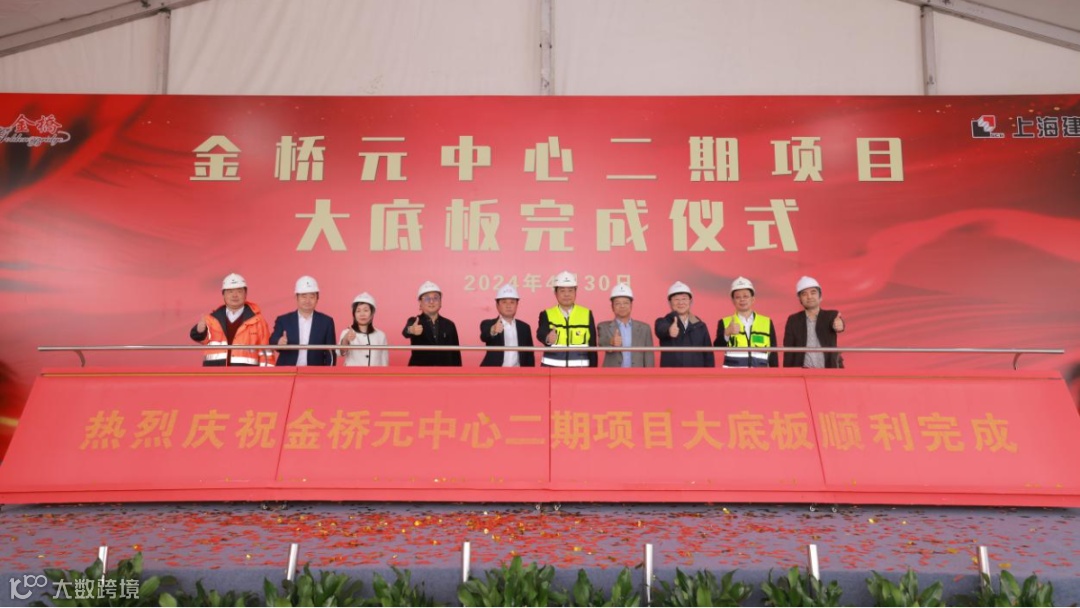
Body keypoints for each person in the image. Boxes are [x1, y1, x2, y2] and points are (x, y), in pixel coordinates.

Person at [189, 272, 275, 366]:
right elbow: (197, 336)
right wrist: (200, 330)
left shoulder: (258, 321)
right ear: (223, 294)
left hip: (246, 373)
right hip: (215, 372)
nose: (235, 295)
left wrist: (266, 374)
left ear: (245, 294)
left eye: (239, 291)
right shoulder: (212, 319)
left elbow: (266, 353)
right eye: (230, 291)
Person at [271, 275, 336, 366]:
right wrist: (278, 341)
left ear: (317, 298)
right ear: (296, 297)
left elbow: (331, 353)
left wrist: (329, 372)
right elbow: (272, 340)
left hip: (314, 371)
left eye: (312, 297)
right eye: (304, 296)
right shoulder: (283, 320)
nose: (307, 301)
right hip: (287, 370)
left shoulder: (326, 322)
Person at [536, 271, 598, 368]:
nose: (566, 294)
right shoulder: (546, 314)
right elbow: (540, 333)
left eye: (570, 290)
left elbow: (592, 346)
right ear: (555, 293)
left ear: (575, 292)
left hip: (580, 371)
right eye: (562, 291)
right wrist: (547, 338)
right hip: (552, 371)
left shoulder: (586, 314)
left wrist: (593, 371)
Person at [783, 276, 846, 368]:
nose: (809, 297)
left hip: (828, 371)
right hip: (802, 373)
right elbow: (788, 351)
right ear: (800, 299)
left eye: (813, 292)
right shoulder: (793, 320)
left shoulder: (831, 316)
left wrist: (840, 325)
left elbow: (839, 324)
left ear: (820, 296)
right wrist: (787, 373)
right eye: (804, 294)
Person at [717, 276, 778, 368]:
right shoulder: (725, 322)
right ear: (733, 301)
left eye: (745, 296)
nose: (742, 299)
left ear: (753, 299)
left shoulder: (767, 322)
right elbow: (717, 346)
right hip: (733, 375)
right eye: (738, 297)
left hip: (760, 374)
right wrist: (727, 333)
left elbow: (773, 354)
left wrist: (775, 373)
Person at [655, 281, 714, 367]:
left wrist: (710, 374)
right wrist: (669, 330)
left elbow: (708, 355)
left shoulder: (700, 326)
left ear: (690, 301)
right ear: (670, 302)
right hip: (671, 374)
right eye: (676, 299)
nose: (681, 303)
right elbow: (660, 329)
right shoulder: (663, 322)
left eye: (684, 299)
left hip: (696, 374)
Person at [402, 280, 462, 366]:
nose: (431, 301)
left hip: (445, 372)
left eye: (436, 298)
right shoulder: (415, 321)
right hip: (420, 371)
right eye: (427, 298)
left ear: (440, 302)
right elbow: (405, 332)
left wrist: (458, 372)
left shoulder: (449, 325)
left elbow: (456, 355)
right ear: (420, 303)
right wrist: (411, 330)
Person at [597, 283, 654, 368]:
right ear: (612, 307)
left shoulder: (644, 328)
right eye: (617, 303)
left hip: (638, 374)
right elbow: (602, 343)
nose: (622, 306)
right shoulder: (603, 326)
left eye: (626, 303)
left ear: (631, 305)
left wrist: (650, 374)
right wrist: (611, 341)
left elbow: (649, 356)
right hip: (612, 374)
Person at [479, 284, 536, 367]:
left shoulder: (524, 327)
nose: (508, 306)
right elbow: (484, 336)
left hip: (518, 372)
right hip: (493, 372)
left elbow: (529, 355)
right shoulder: (488, 323)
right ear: (497, 305)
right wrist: (493, 330)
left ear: (517, 305)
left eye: (512, 302)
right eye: (504, 302)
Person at [339, 292, 389, 367]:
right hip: (352, 374)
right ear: (354, 314)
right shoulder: (347, 332)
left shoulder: (381, 335)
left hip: (375, 374)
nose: (362, 314)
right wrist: (346, 339)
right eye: (358, 311)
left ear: (372, 313)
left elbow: (384, 361)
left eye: (366, 310)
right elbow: (341, 352)